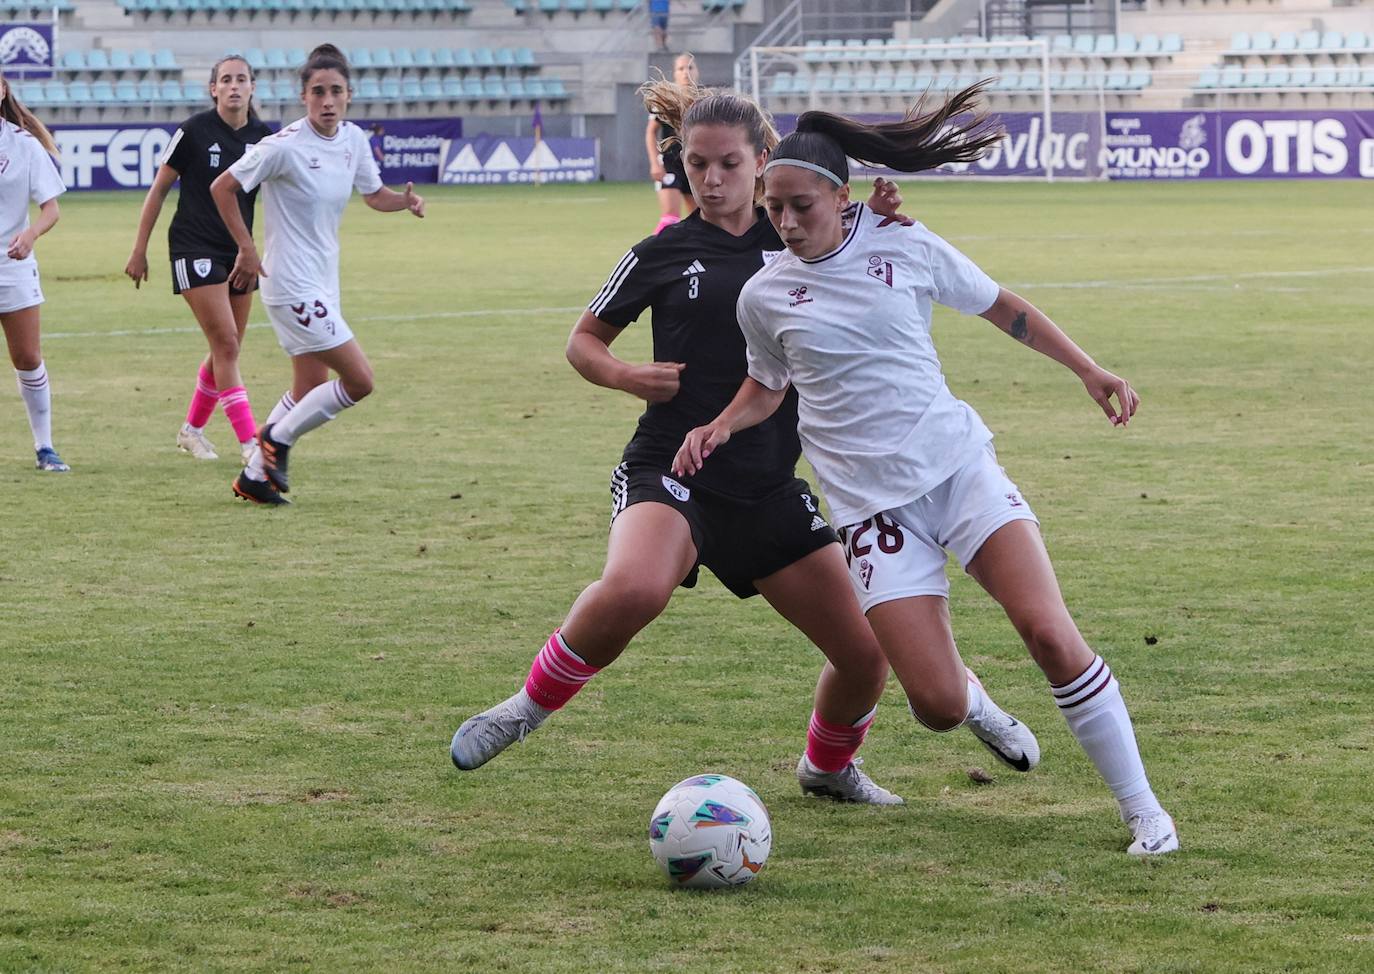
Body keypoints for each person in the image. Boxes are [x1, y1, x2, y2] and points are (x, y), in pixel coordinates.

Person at [450, 84, 1039, 805]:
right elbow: (583, 342)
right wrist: (627, 374)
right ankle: (523, 710)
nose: (712, 179)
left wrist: (882, 213)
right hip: (673, 469)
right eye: (697, 164)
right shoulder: (660, 254)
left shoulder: (798, 232)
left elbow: (872, 243)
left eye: (729, 163)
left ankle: (830, 768)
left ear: (763, 162)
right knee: (636, 586)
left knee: (866, 654)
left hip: (766, 485)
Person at [672, 85, 1177, 855]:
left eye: (802, 205)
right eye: (775, 209)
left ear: (843, 199)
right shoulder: (765, 295)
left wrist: (1089, 368)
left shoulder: (900, 240)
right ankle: (971, 697)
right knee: (937, 706)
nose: (787, 221)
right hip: (871, 512)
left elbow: (1001, 306)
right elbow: (768, 385)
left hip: (957, 469)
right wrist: (720, 423)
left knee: (1048, 632)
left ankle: (1144, 811)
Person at [210, 44, 425, 505]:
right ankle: (276, 441)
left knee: (308, 386)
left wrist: (403, 202)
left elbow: (372, 194)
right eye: (318, 92)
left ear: (349, 95)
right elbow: (222, 187)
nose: (328, 101)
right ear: (303, 96)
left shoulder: (352, 139)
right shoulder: (283, 147)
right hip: (289, 283)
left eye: (336, 92)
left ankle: (253, 477)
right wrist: (246, 248)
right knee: (359, 380)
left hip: (324, 282)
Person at [125, 54, 273, 464]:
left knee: (227, 349)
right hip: (194, 247)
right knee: (225, 342)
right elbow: (158, 189)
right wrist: (139, 249)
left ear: (252, 87)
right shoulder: (193, 131)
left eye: (242, 79)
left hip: (240, 252)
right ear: (213, 89)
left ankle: (191, 430)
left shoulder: (265, 138)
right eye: (225, 79)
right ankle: (250, 444)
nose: (234, 86)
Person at [0, 70, 68, 472]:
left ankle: (45, 447)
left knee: (27, 357)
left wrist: (30, 235)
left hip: (13, 264)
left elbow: (51, 209)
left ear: (3, 89)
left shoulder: (23, 145)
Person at [645, 53, 698, 236]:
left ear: (697, 71)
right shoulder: (668, 100)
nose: (686, 73)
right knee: (670, 219)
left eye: (690, 68)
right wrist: (655, 163)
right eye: (681, 68)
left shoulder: (703, 101)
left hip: (694, 165)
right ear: (674, 73)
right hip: (670, 164)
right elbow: (651, 131)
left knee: (700, 220)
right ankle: (655, 256)